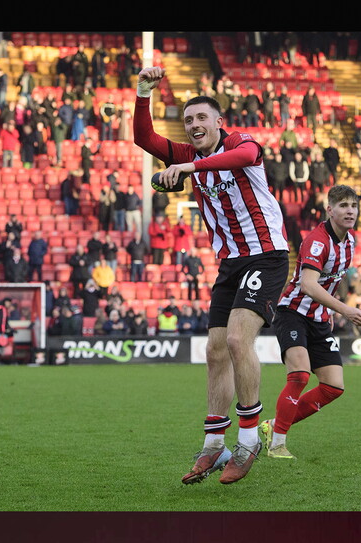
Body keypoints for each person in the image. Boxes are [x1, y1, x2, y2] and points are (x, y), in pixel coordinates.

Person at [134, 67, 291, 485]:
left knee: (238, 340)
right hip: (231, 263)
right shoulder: (189, 154)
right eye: (188, 120)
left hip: (266, 256)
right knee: (215, 351)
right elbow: (145, 139)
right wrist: (143, 93)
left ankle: (248, 441)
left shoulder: (239, 142)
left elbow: (246, 158)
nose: (194, 125)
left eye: (202, 118)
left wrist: (189, 168)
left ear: (219, 122)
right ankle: (213, 444)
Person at [260, 184, 361, 460]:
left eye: (353, 206)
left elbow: (331, 282)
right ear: (329, 210)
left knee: (333, 386)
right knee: (300, 375)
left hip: (319, 318)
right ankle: (277, 445)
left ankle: (274, 425)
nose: (350, 211)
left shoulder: (350, 242)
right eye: (343, 206)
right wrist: (344, 310)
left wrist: (329, 313)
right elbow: (308, 285)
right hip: (292, 313)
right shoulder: (317, 241)